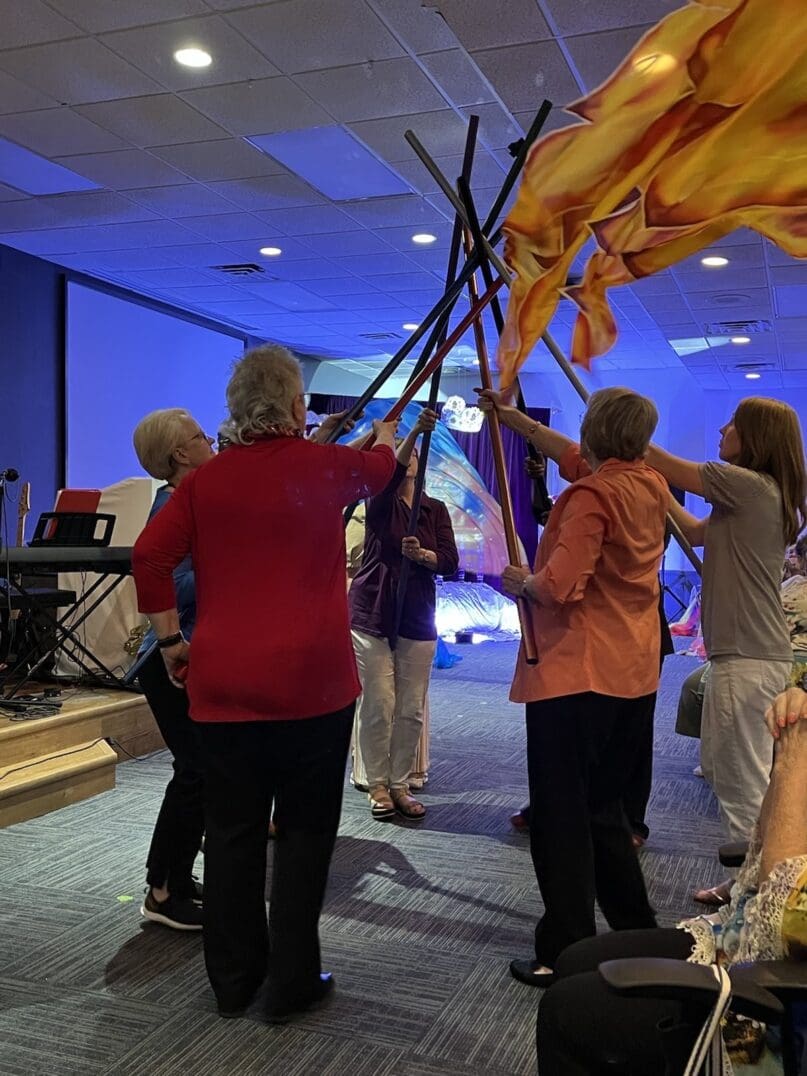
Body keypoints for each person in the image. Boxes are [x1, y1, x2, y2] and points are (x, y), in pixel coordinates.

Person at [132, 344, 397, 1022]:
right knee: (306, 834)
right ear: (296, 406)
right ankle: (290, 981)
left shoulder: (204, 482)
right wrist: (389, 436)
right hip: (313, 685)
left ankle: (231, 979)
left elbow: (149, 558)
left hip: (225, 685)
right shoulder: (327, 467)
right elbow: (378, 468)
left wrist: (168, 640)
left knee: (231, 833)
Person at [478, 386, 667, 985]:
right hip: (631, 674)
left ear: (596, 431)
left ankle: (563, 951)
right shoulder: (648, 484)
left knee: (562, 818)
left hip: (576, 674)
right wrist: (510, 419)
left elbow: (558, 586)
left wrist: (518, 579)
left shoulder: (591, 496)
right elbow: (567, 451)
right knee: (602, 812)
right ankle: (640, 932)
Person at [535, 683, 807, 1076]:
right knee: (574, 959)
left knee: (566, 1009)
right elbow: (763, 849)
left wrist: (793, 758)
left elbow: (785, 913)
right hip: (738, 939)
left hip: (779, 1004)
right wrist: (788, 750)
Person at [646, 398, 807, 905]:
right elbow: (694, 531)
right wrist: (658, 489)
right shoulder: (758, 495)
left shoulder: (748, 484)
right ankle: (752, 880)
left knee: (742, 781)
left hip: (749, 657)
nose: (721, 428)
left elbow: (668, 464)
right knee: (724, 768)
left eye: (732, 422)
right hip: (746, 655)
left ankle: (759, 899)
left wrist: (623, 431)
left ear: (754, 434)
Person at [349, 408, 459, 821]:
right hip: (374, 611)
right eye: (400, 454)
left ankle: (399, 782)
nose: (407, 458)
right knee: (380, 702)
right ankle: (376, 783)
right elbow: (389, 476)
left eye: (412, 454)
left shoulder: (434, 509)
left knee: (411, 706)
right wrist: (412, 431)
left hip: (416, 612)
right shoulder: (379, 502)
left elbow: (449, 559)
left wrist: (425, 556)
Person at [132, 409, 215, 931]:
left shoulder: (196, 501)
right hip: (169, 661)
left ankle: (174, 879)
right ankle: (162, 890)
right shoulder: (173, 506)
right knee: (197, 773)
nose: (211, 441)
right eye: (201, 437)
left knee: (199, 773)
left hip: (189, 657)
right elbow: (170, 581)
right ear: (180, 455)